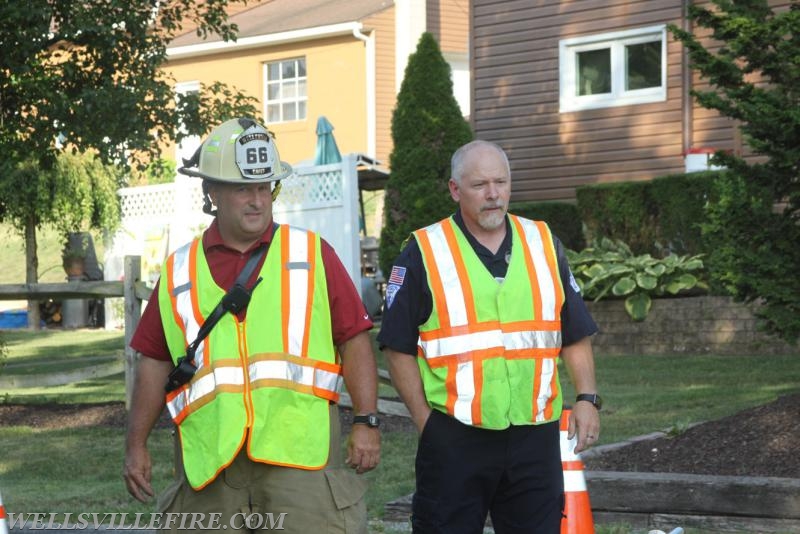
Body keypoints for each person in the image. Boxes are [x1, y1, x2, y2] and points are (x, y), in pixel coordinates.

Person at [124, 118, 381, 534]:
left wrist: (366, 422)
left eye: (266, 188)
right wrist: (135, 445)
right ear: (212, 192)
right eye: (244, 188)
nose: (258, 201)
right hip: (211, 466)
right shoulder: (178, 271)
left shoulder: (312, 254)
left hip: (300, 464)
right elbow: (152, 361)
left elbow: (354, 339)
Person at [377, 139, 601, 533]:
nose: (494, 194)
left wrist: (586, 397)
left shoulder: (543, 242)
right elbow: (397, 348)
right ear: (454, 189)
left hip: (534, 434)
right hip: (455, 434)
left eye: (502, 182)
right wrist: (426, 424)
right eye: (480, 184)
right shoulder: (424, 251)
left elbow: (574, 330)